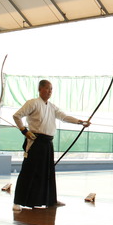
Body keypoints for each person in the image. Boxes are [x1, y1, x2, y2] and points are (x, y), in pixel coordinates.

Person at [12, 79, 90, 211]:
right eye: (47, 88)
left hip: (47, 143)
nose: (49, 91)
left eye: (51, 89)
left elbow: (64, 117)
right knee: (29, 171)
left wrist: (80, 122)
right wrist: (25, 131)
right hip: (35, 141)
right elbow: (17, 116)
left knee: (47, 172)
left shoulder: (52, 107)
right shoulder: (33, 103)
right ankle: (18, 201)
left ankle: (49, 200)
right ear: (40, 89)